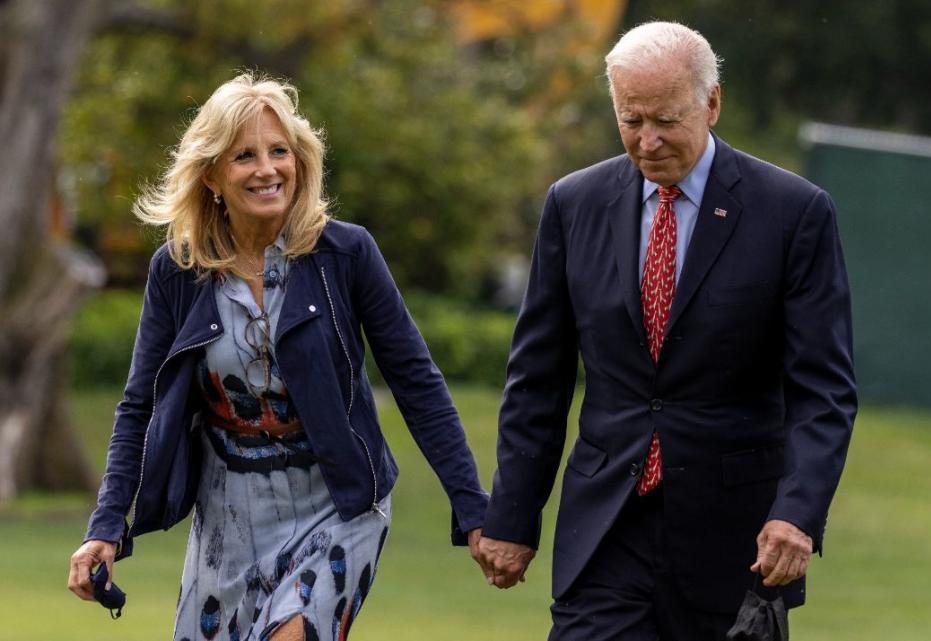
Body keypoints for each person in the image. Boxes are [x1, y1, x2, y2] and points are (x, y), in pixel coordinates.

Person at [67, 73, 488, 640]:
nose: (267, 169)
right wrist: (107, 525)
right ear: (213, 175)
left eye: (279, 152)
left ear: (300, 161)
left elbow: (417, 381)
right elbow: (139, 404)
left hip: (338, 506)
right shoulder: (178, 272)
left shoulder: (345, 253)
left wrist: (472, 507)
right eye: (245, 156)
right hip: (227, 520)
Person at [475, 21, 856, 640]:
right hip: (605, 529)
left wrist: (798, 513)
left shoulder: (794, 214)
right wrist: (513, 514)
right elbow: (537, 379)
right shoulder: (574, 205)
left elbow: (824, 389)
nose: (647, 142)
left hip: (734, 538)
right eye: (631, 120)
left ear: (712, 102)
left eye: (665, 120)